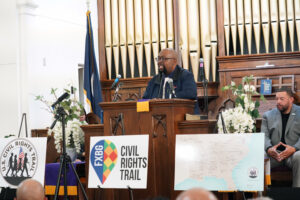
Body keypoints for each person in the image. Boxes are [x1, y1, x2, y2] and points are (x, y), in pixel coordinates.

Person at [262, 87, 300, 187]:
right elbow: (264, 136)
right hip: (274, 155)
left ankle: (297, 193)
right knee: (260, 156)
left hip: (293, 154)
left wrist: (294, 148)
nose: (278, 101)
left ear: (291, 99)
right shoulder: (268, 115)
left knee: (299, 156)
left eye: (282, 99)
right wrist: (269, 149)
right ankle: (261, 195)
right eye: (277, 98)